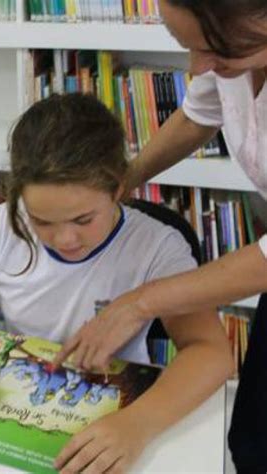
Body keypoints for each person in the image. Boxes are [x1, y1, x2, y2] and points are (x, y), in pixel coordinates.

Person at [0, 93, 233, 473]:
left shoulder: (157, 246)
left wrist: (138, 423)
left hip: (118, 413)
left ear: (119, 187)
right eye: (42, 221)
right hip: (13, 403)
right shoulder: (0, 226)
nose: (65, 240)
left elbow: (210, 352)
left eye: (83, 219)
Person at [52, 1, 267, 472]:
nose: (196, 67)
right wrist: (123, 181)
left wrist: (140, 302)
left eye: (214, 49)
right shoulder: (228, 55)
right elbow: (198, 114)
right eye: (185, 46)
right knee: (253, 437)